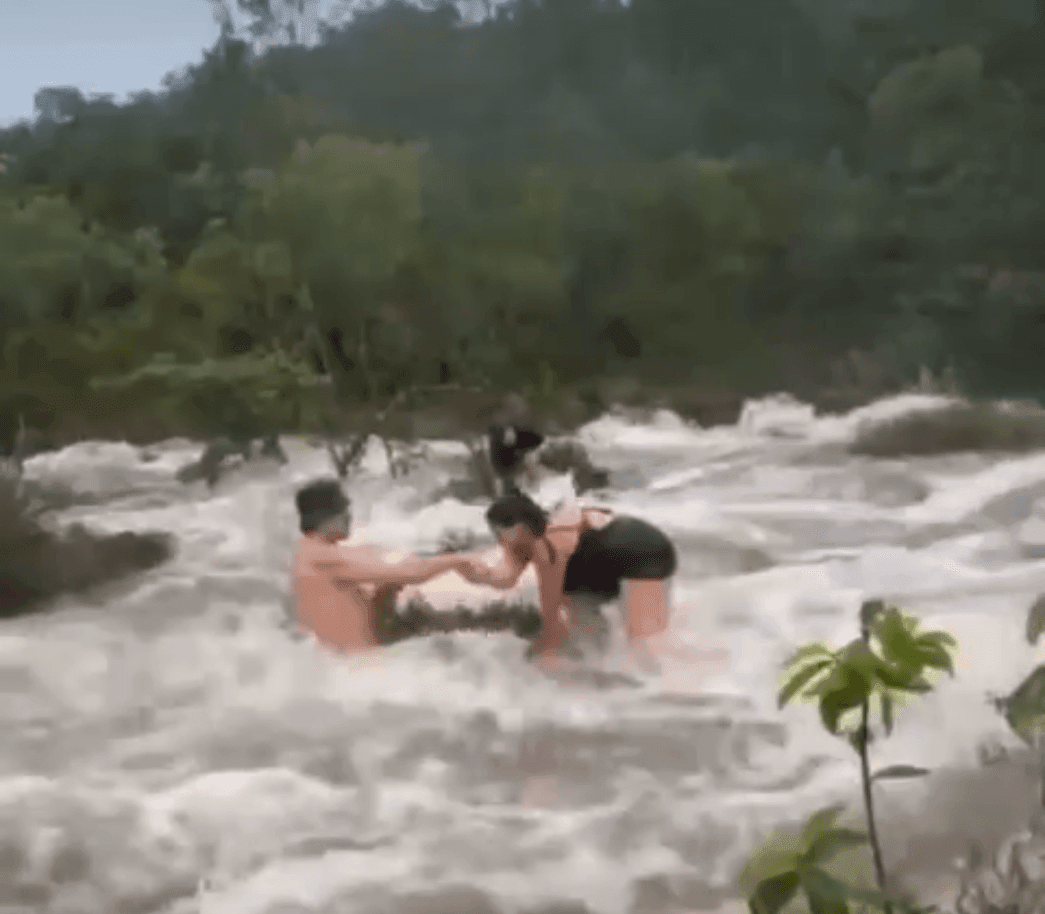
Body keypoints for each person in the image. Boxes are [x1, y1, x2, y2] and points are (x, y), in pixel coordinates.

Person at [456, 493, 677, 665]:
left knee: (644, 644)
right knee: (582, 626)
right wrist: (462, 567)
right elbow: (504, 579)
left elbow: (549, 594)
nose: (497, 539)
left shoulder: (554, 536)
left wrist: (549, 642)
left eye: (498, 532)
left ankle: (673, 692)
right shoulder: (523, 543)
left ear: (518, 526)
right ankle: (603, 670)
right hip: (596, 571)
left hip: (641, 551)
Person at [291, 478, 481, 654]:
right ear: (325, 516)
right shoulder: (324, 557)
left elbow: (390, 567)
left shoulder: (311, 551)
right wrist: (457, 560)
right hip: (356, 666)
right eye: (344, 510)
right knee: (454, 647)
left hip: (348, 661)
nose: (349, 517)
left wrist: (439, 554)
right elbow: (409, 573)